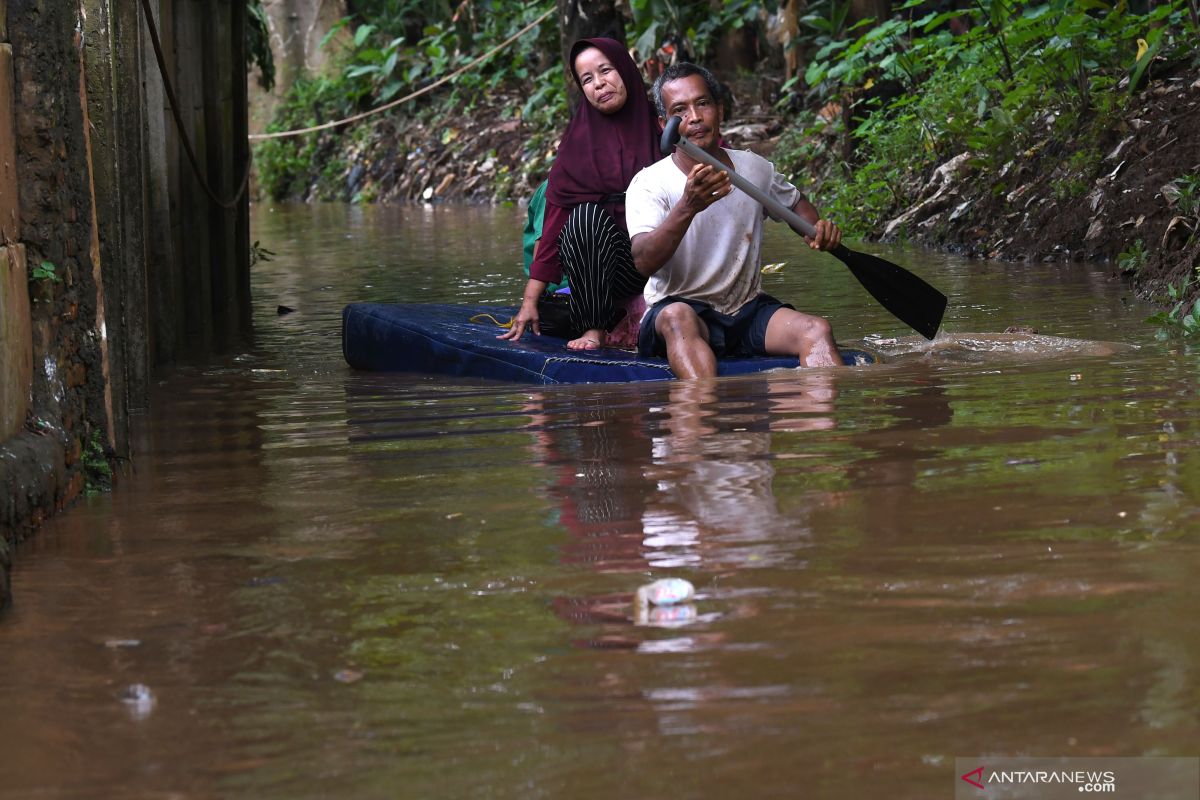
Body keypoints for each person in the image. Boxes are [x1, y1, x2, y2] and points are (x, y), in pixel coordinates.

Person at [626, 62, 845, 377]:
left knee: (817, 330)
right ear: (664, 124)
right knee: (678, 318)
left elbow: (797, 207)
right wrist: (688, 206)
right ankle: (706, 416)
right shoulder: (649, 183)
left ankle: (827, 424)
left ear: (720, 110)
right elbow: (644, 261)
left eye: (703, 104)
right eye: (680, 110)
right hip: (679, 313)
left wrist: (818, 229)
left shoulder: (754, 168)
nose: (695, 118)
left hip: (746, 310)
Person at [500, 37, 662, 351]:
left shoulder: (662, 126)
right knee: (583, 217)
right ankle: (594, 330)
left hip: (662, 256)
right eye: (587, 79)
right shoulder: (576, 147)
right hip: (609, 269)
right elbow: (551, 234)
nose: (599, 84)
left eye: (606, 71)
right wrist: (530, 301)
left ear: (626, 71)